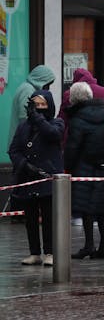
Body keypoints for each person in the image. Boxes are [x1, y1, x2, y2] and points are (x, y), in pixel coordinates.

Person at [8, 90, 63, 266]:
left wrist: (37, 118)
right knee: (30, 219)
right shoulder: (23, 126)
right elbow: (14, 150)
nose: (39, 108)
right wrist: (24, 165)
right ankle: (34, 252)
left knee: (48, 218)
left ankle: (49, 252)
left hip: (47, 177)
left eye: (42, 105)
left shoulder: (57, 122)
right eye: (35, 105)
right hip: (28, 178)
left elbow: (53, 134)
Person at [65, 82, 104, 259]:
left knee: (86, 208)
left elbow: (73, 147)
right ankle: (103, 245)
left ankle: (89, 245)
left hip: (84, 167)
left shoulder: (77, 119)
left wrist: (68, 166)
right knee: (101, 208)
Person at [7, 64, 56, 221]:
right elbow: (26, 118)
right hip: (24, 145)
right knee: (23, 178)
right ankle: (19, 213)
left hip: (22, 143)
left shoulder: (25, 87)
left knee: (21, 178)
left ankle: (19, 213)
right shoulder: (29, 91)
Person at [9, 65, 56, 144]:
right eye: (47, 85)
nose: (47, 89)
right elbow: (24, 117)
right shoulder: (28, 90)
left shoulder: (27, 87)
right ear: (40, 80)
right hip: (23, 142)